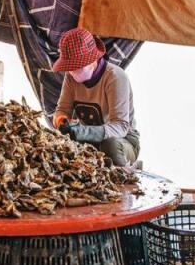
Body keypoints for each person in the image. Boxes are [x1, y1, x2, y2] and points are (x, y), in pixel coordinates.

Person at [51, 28, 140, 167]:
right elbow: (62, 109)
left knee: (109, 146)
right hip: (87, 139)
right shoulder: (70, 76)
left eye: (78, 66)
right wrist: (63, 122)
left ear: (94, 58)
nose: (73, 71)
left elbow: (121, 126)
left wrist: (84, 132)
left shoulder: (115, 77)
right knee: (56, 148)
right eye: (70, 67)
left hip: (123, 141)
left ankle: (131, 169)